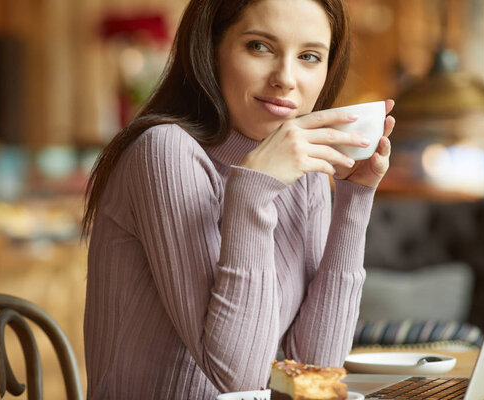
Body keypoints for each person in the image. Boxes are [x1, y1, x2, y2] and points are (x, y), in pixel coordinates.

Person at [83, 0, 395, 398]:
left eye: (310, 56)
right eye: (259, 47)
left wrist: (354, 198)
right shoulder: (164, 152)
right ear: (211, 49)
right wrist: (252, 192)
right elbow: (240, 379)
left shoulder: (305, 172)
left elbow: (315, 372)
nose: (286, 78)